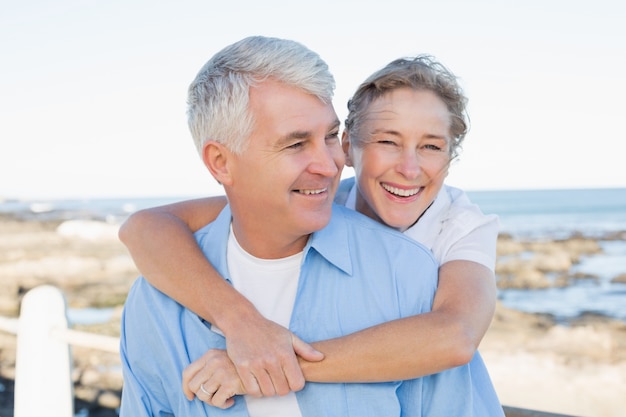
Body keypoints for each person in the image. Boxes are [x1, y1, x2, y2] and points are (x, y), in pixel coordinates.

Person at [120, 47, 504, 415]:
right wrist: (241, 323)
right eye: (388, 141)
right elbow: (146, 226)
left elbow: (455, 336)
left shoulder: (450, 237)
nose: (409, 167)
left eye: (432, 146)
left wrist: (269, 364)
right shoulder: (319, 198)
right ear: (350, 147)